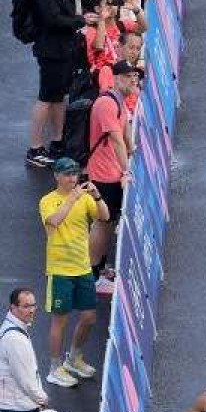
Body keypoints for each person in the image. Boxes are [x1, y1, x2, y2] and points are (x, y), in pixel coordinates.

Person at [39, 159, 106, 386]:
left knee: (89, 317)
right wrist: (72, 198)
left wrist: (96, 196)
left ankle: (74, 358)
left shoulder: (84, 198)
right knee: (60, 321)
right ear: (56, 176)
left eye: (75, 174)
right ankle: (54, 368)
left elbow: (104, 216)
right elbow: (55, 221)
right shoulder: (47, 201)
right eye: (67, 175)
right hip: (59, 270)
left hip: (83, 267)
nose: (72, 179)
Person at [85, 62, 140, 292]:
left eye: (134, 77)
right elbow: (116, 139)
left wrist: (131, 149)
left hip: (112, 171)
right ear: (116, 79)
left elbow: (126, 133)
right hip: (103, 174)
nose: (133, 81)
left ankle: (100, 267)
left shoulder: (120, 101)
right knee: (102, 223)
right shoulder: (106, 103)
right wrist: (127, 170)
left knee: (108, 223)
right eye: (128, 77)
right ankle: (91, 276)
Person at [24, 0, 82, 170]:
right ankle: (35, 149)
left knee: (59, 96)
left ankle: (57, 141)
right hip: (51, 50)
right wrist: (80, 21)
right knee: (46, 98)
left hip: (64, 48)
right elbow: (52, 19)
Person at [0, 289, 47, 412]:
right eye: (26, 306)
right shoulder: (15, 339)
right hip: (18, 407)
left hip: (13, 405)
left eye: (33, 305)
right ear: (12, 308)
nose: (32, 310)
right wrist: (42, 399)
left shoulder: (10, 328)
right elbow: (26, 380)